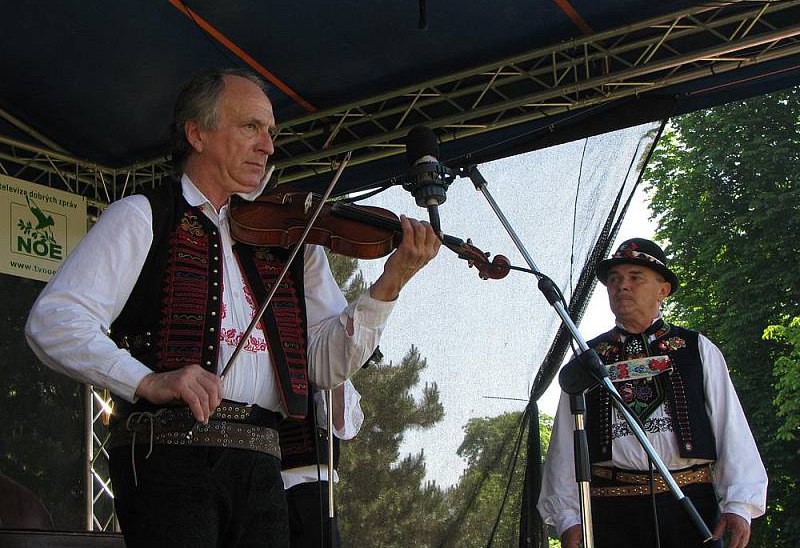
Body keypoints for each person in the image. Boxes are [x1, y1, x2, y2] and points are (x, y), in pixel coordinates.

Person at [25, 68, 440, 548]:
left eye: (270, 132)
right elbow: (55, 320)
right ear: (197, 133)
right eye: (250, 127)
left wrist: (391, 282)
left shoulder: (294, 241)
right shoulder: (142, 215)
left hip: (264, 460)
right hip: (169, 454)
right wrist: (147, 380)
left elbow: (322, 367)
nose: (267, 145)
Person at [538, 238, 767, 548]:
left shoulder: (696, 349)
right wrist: (568, 517)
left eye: (635, 277)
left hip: (689, 508)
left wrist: (739, 503)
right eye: (615, 279)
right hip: (611, 514)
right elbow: (565, 444)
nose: (622, 286)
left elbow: (731, 428)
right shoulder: (587, 359)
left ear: (663, 290)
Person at [280, 380, 362, 548]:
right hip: (260, 480)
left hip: (313, 489)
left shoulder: (323, 359)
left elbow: (342, 424)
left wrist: (336, 366)